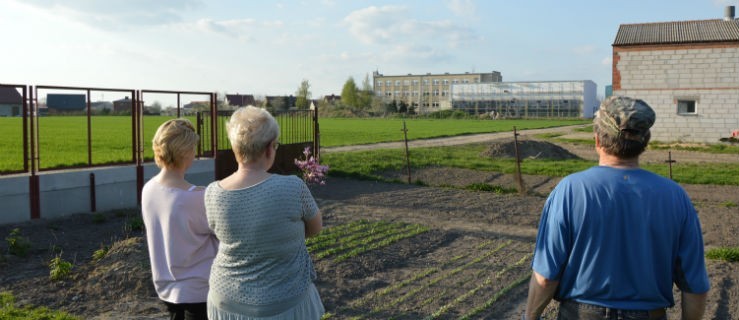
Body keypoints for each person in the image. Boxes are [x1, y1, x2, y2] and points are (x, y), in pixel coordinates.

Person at [524, 96, 710, 320]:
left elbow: (545, 277)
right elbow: (695, 285)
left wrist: (529, 317)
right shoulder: (675, 196)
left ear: (597, 140)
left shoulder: (569, 190)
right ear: (645, 141)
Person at [205, 106, 324, 320]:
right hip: (283, 301)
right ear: (270, 148)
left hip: (225, 301)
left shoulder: (213, 192)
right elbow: (315, 228)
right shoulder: (293, 187)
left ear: (235, 148)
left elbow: (223, 234)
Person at [141, 118, 219, 320]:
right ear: (185, 152)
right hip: (200, 291)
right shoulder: (195, 198)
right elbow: (224, 234)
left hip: (166, 287)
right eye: (193, 148)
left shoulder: (148, 189)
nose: (195, 153)